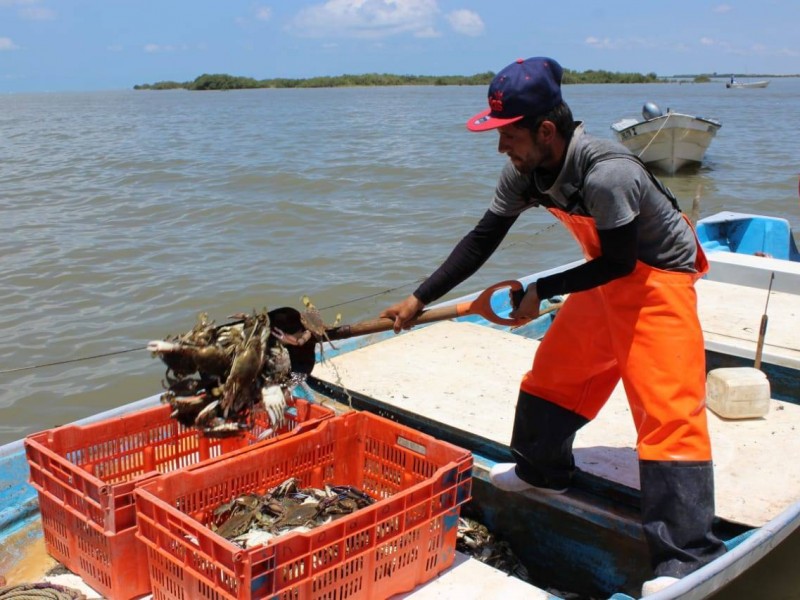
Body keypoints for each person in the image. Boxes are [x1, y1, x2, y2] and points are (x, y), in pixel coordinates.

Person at [380, 56, 727, 596]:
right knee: (554, 377)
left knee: (667, 412)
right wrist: (418, 297)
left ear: (546, 130)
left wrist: (542, 289)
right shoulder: (525, 171)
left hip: (658, 277)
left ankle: (688, 557)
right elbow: (482, 238)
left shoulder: (608, 172)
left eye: (508, 135)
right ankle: (545, 471)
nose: (501, 148)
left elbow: (619, 262)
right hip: (606, 272)